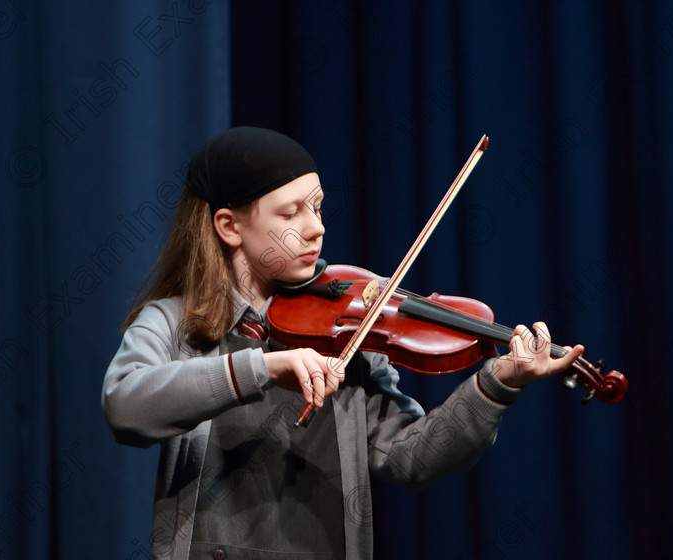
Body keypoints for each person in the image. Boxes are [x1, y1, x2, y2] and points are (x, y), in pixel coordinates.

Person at [101, 126, 583, 560]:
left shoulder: (349, 327)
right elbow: (126, 406)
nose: (317, 227)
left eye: (317, 206)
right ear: (230, 227)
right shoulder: (171, 321)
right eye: (291, 212)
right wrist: (263, 367)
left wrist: (496, 385)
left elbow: (409, 458)